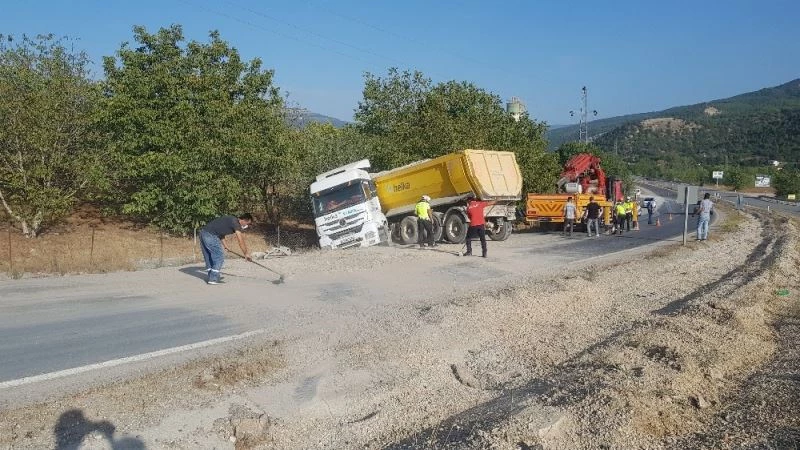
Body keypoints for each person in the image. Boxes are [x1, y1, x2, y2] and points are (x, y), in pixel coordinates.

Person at [199, 213, 253, 285]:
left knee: (209, 257)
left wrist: (225, 245)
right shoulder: (236, 223)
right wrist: (246, 254)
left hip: (203, 233)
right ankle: (213, 279)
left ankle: (211, 277)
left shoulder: (231, 219)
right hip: (210, 235)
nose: (246, 226)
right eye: (247, 223)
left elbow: (220, 232)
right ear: (243, 220)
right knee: (219, 257)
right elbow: (240, 240)